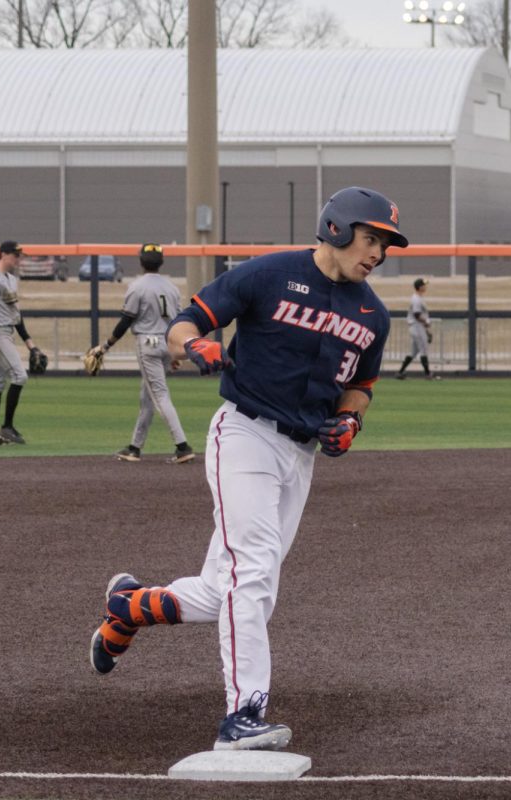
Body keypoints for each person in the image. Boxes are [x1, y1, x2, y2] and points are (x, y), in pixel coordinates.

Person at [88, 187, 404, 751]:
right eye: (372, 237)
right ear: (336, 227)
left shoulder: (372, 314)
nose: (378, 252)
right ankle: (242, 715)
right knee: (253, 575)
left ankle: (127, 608)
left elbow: (362, 386)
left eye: (385, 244)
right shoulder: (268, 275)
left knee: (227, 589)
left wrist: (350, 422)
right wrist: (198, 348)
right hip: (245, 435)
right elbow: (186, 324)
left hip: (300, 453)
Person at [91, 243, 195, 464]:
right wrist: (175, 354)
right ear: (162, 261)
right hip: (167, 343)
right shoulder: (172, 287)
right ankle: (134, 447)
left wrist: (105, 346)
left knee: (160, 396)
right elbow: (178, 322)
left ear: (141, 261)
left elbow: (126, 321)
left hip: (147, 344)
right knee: (147, 398)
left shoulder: (137, 287)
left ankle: (182, 446)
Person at [0, 240, 40, 446]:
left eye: (19, 255)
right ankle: (7, 427)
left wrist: (30, 343)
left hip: (8, 331)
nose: (18, 258)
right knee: (19, 376)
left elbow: (16, 315)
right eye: (15, 254)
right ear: (3, 254)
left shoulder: (12, 279)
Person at [396, 276, 435, 379]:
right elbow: (417, 314)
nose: (425, 287)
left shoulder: (418, 298)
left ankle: (400, 372)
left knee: (413, 352)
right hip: (416, 326)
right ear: (419, 287)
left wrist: (426, 330)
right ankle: (428, 374)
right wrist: (426, 322)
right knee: (424, 349)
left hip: (418, 327)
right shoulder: (416, 299)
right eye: (424, 285)